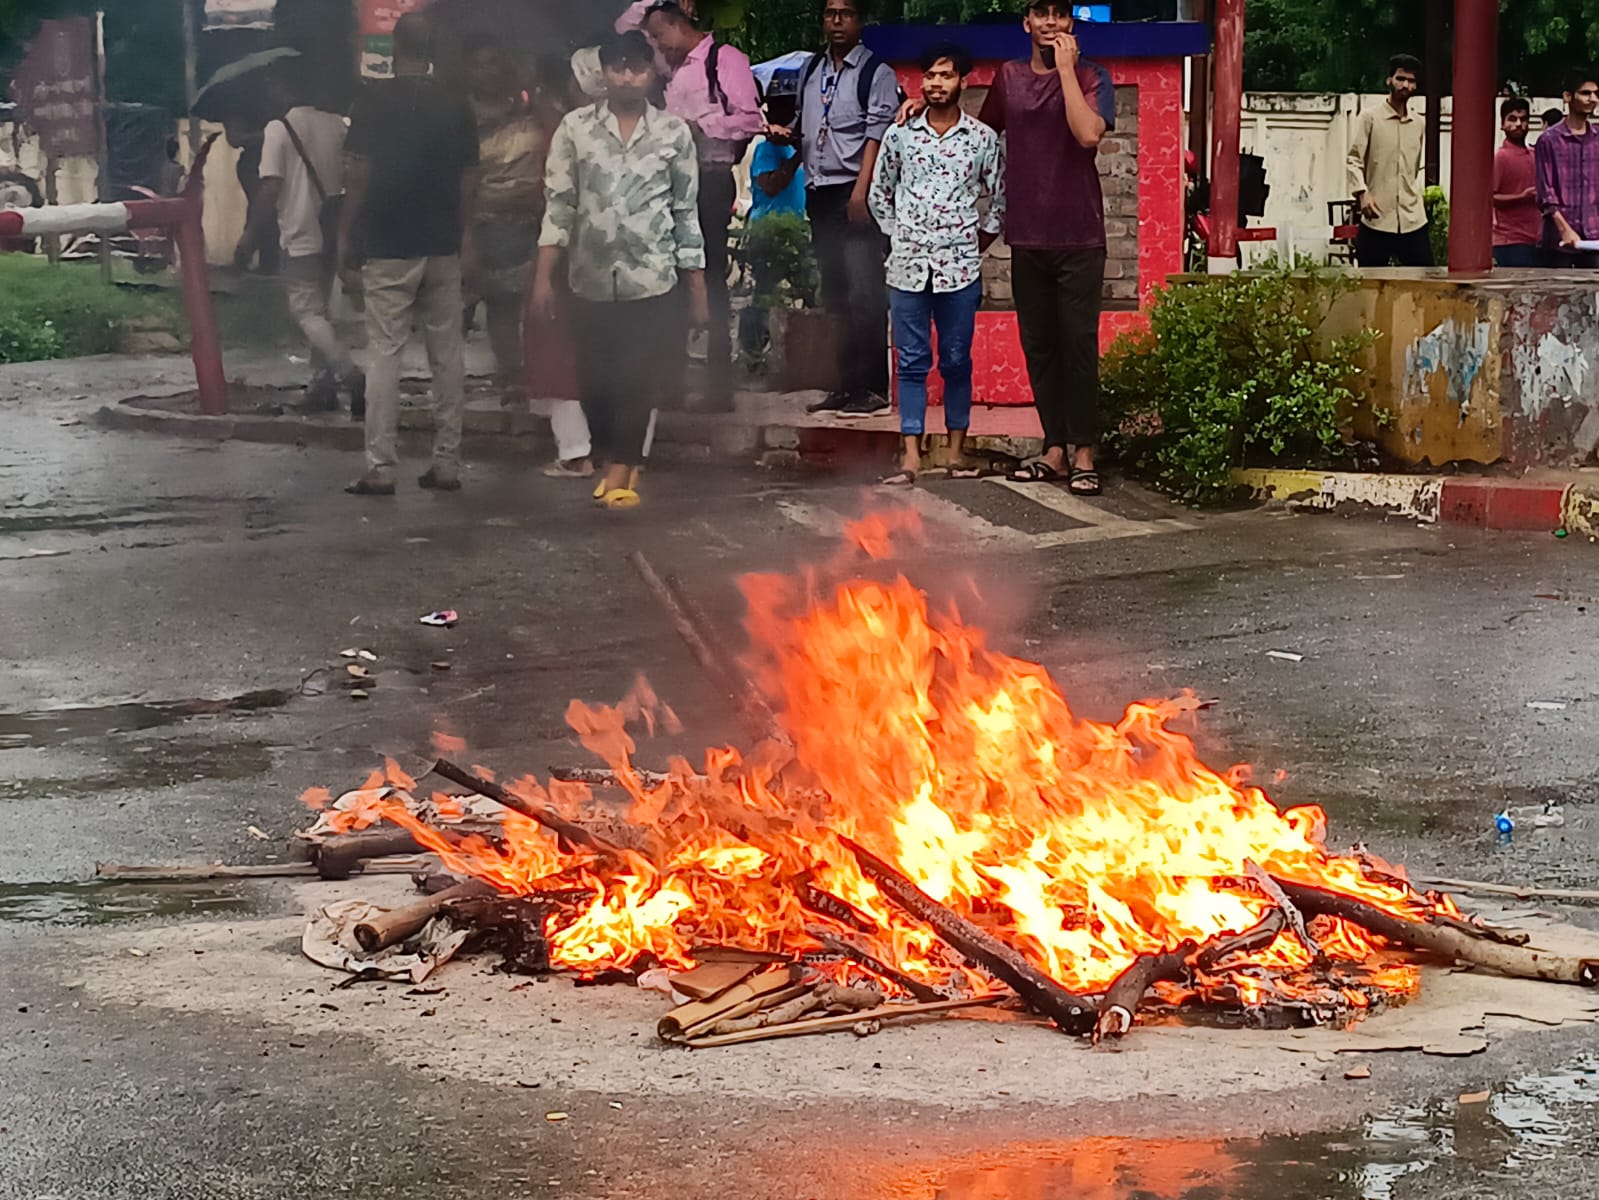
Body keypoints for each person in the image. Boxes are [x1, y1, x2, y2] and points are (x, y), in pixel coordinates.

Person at [531, 30, 707, 510]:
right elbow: (559, 206)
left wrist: (697, 288)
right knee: (593, 381)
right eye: (618, 67)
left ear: (652, 75)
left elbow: (685, 214)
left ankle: (621, 471)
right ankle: (612, 456)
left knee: (637, 376)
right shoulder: (576, 129)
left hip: (652, 279)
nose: (628, 76)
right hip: (587, 277)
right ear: (603, 74)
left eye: (638, 67)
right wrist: (544, 277)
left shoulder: (673, 134)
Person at [975, 2, 1115, 495]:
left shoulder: (1094, 75)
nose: (1051, 23)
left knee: (1078, 344)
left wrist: (1065, 72)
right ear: (1027, 24)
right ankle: (1054, 448)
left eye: (1060, 14)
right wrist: (922, 112)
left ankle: (1083, 451)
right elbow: (980, 136)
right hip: (1027, 234)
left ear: (1071, 25)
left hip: (1079, 235)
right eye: (1041, 14)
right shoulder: (1008, 77)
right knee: (1040, 347)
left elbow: (1087, 134)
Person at [339, 11, 480, 496]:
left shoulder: (371, 101)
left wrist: (345, 234)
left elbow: (358, 174)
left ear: (394, 48)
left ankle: (381, 466)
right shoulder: (456, 105)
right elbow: (468, 180)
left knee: (384, 354)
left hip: (387, 244)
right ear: (435, 51)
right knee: (447, 355)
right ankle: (448, 463)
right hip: (441, 243)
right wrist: (466, 237)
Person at [868, 42, 1003, 485]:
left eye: (945, 76)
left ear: (963, 82)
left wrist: (975, 241)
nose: (936, 84)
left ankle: (956, 452)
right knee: (910, 361)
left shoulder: (982, 139)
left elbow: (999, 199)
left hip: (960, 269)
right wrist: (899, 236)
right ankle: (910, 455)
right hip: (906, 268)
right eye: (930, 76)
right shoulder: (900, 135)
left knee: (956, 359)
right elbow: (878, 193)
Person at [626, 1, 765, 410]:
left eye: (658, 35)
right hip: (668, 183)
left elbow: (751, 119)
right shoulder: (671, 68)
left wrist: (700, 127)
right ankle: (670, 381)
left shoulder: (725, 60)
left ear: (676, 25)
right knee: (667, 279)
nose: (654, 45)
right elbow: (624, 25)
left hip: (710, 178)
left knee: (710, 279)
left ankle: (719, 385)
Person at [795, 0, 901, 417]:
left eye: (846, 14)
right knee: (835, 292)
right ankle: (845, 384)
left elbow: (877, 134)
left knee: (864, 292)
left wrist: (863, 192)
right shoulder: (811, 70)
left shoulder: (877, 73)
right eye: (829, 13)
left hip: (853, 193)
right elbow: (808, 127)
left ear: (861, 21)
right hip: (818, 190)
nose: (836, 21)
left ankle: (872, 387)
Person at [245, 64, 365, 415]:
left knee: (306, 311)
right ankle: (322, 385)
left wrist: (250, 233)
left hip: (299, 232)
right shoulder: (337, 124)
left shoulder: (277, 128)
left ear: (284, 87)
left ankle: (350, 373)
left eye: (272, 84)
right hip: (332, 231)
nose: (268, 92)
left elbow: (271, 186)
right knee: (321, 312)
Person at [464, 36, 548, 406]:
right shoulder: (462, 117)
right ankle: (506, 375)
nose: (487, 71)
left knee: (523, 304)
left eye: (494, 62)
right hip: (481, 222)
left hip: (529, 221)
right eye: (479, 63)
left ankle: (523, 373)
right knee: (488, 304)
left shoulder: (529, 112)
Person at [739, 72, 808, 355]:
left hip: (794, 231)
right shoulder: (767, 149)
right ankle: (753, 352)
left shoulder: (794, 145)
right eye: (778, 107)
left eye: (789, 107)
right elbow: (770, 185)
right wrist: (797, 158)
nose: (784, 113)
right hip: (766, 233)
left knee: (801, 292)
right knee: (764, 296)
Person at [1347, 53, 1431, 269]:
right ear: (1389, 80)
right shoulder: (1370, 118)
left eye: (1411, 81)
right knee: (1370, 288)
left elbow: (1414, 167)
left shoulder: (1419, 123)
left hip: (1413, 219)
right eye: (1400, 79)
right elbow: (1353, 160)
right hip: (1377, 217)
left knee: (1424, 284)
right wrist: (1362, 193)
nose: (1405, 85)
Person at [1536, 72, 1599, 268]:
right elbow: (1545, 192)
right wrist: (1564, 228)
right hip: (1559, 240)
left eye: (1596, 94)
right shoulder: (1549, 140)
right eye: (1585, 93)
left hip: (1594, 236)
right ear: (1568, 97)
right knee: (1558, 295)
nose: (1593, 99)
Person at [1492, 98, 1540, 268]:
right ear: (1502, 124)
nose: (1519, 124)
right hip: (1510, 240)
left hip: (1537, 239)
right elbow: (1490, 198)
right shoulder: (1500, 157)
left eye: (1523, 119)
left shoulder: (1536, 155)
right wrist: (1521, 196)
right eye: (1512, 119)